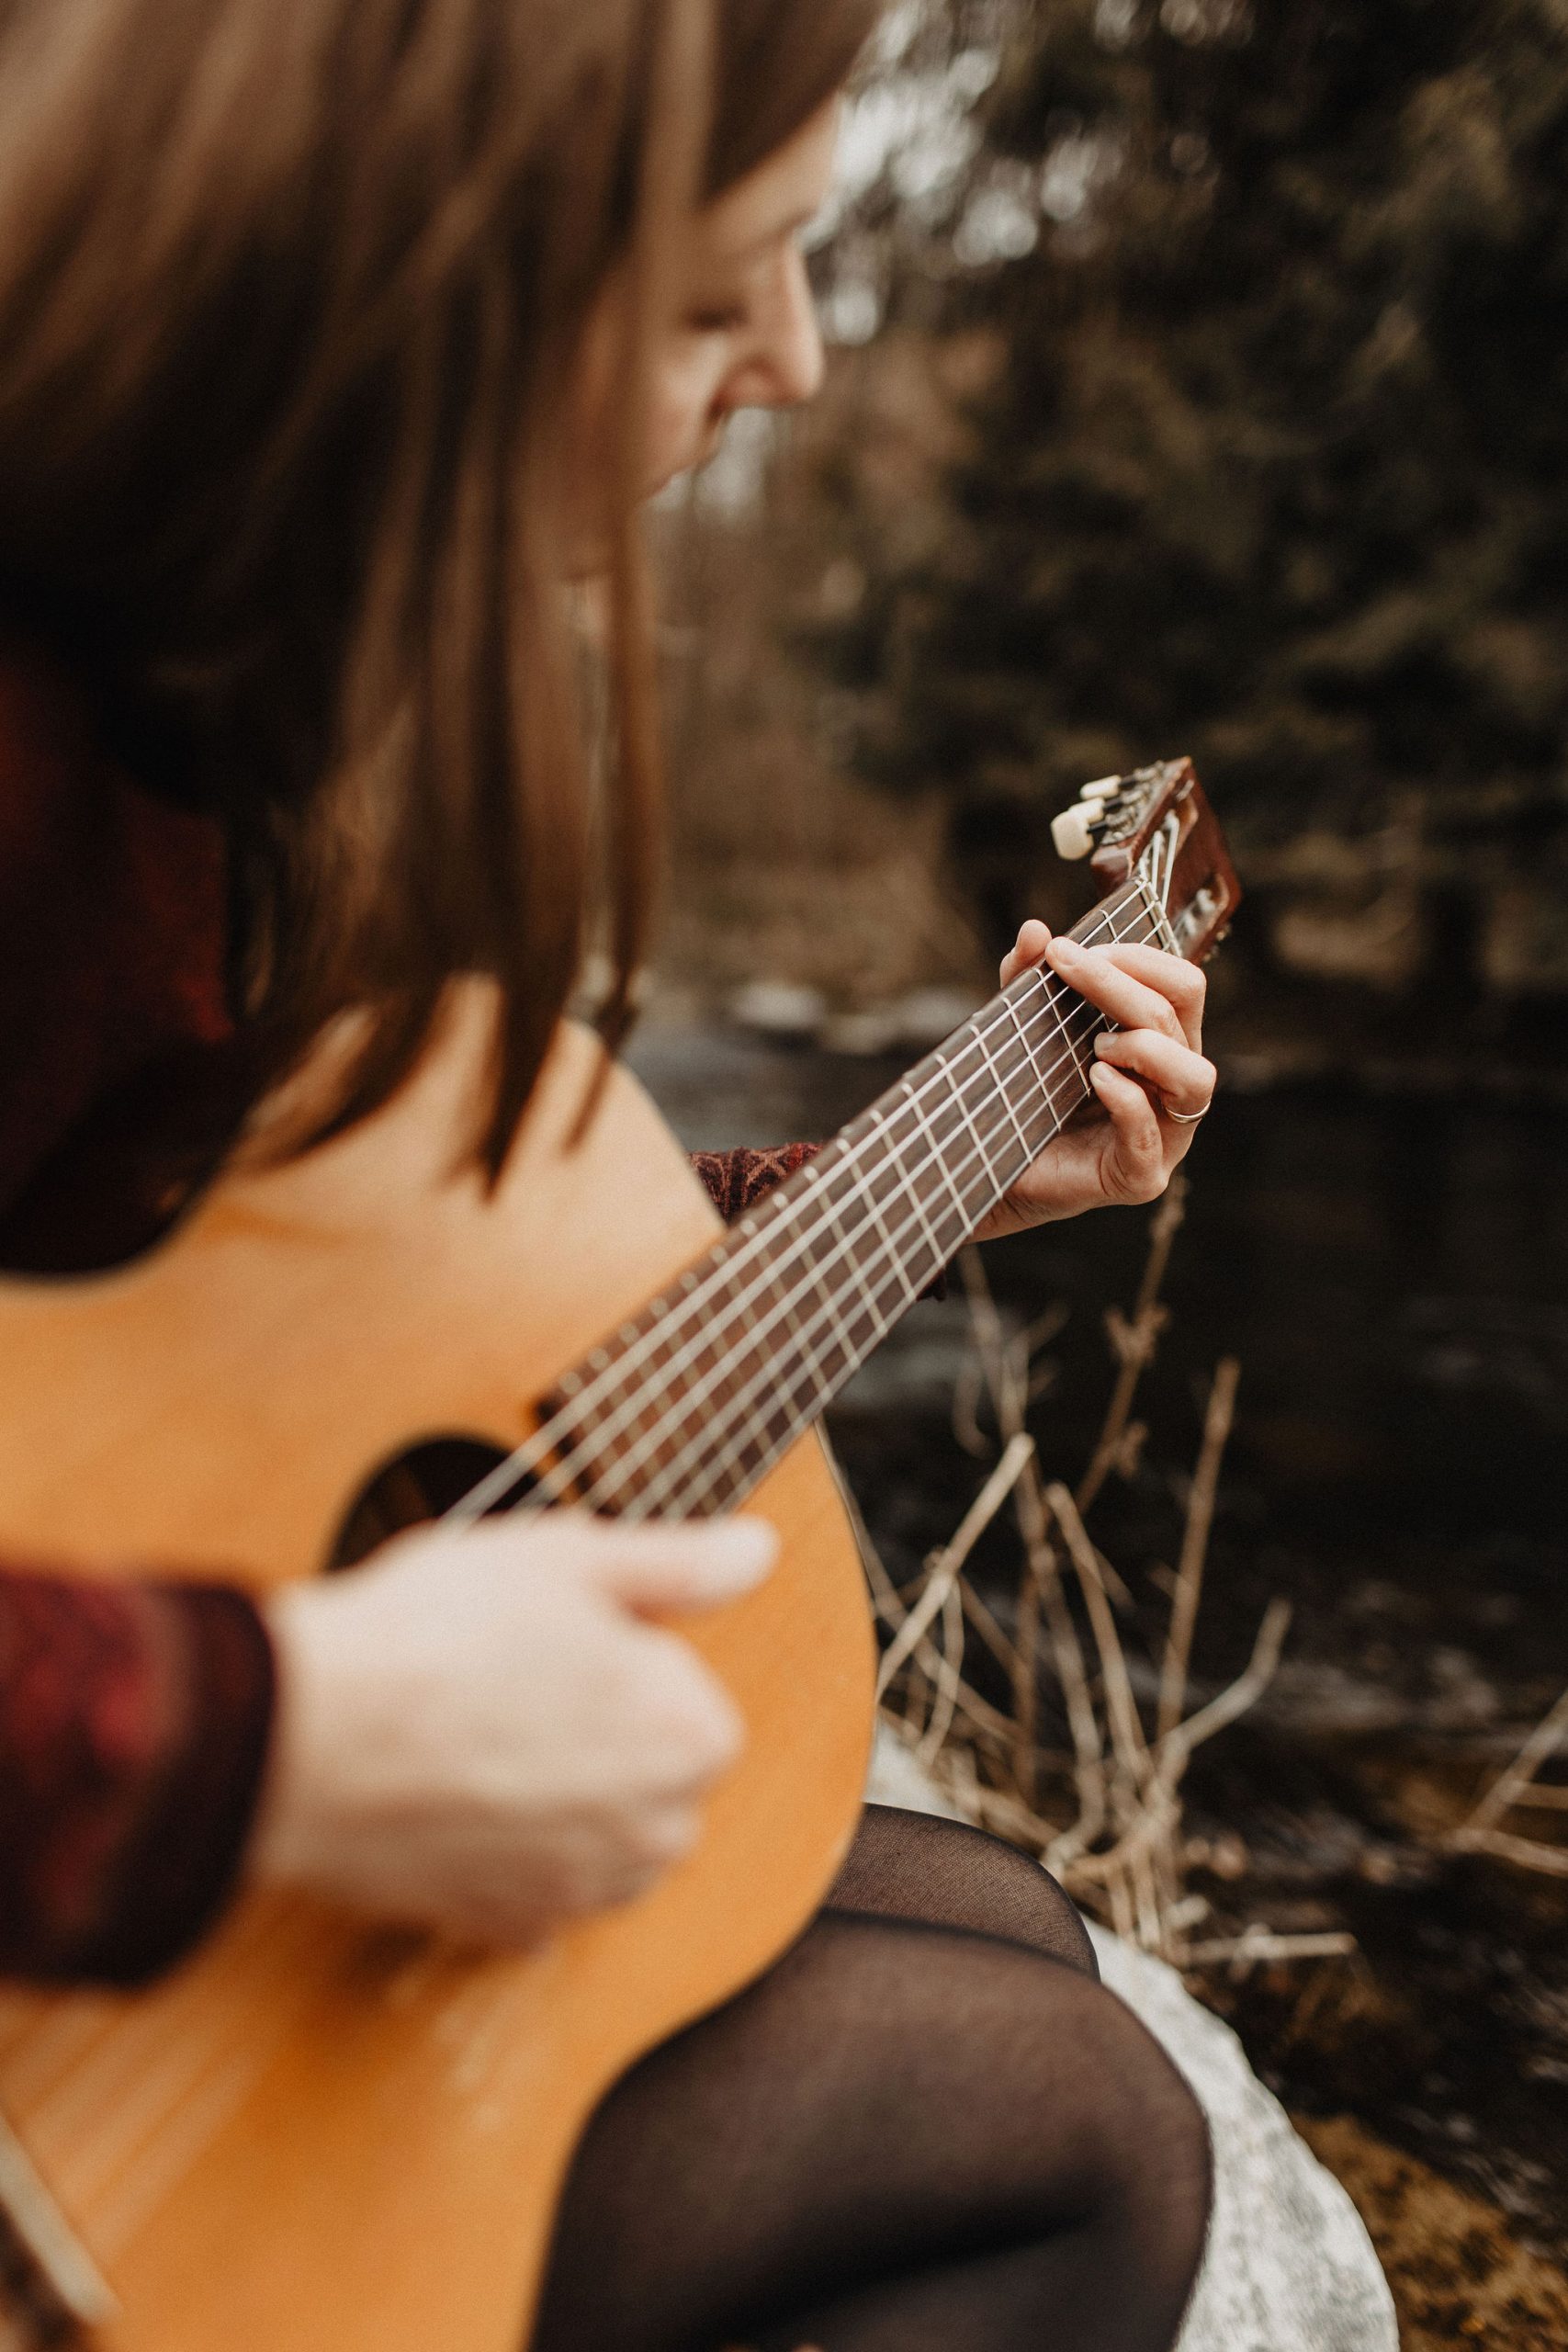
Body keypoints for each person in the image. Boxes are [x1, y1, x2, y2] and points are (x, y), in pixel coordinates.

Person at [0, 3, 1218, 2346]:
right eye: (700, 294)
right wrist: (280, 1736)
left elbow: (326, 1325)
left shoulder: (226, 703)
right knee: (1071, 2130)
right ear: (402, 261)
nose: (786, 364)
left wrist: (925, 1176)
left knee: (1007, 1931)